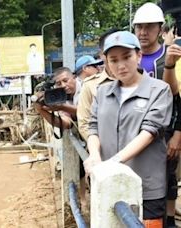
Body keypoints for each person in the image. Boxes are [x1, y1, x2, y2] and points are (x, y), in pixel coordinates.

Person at [84, 31, 173, 227]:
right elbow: (93, 128)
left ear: (138, 56)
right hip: (108, 182)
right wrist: (94, 156)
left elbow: (149, 132)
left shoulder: (159, 90)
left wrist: (113, 162)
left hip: (146, 187)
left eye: (127, 57)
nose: (121, 65)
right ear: (106, 62)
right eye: (113, 60)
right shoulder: (103, 92)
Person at [132, 3, 181, 227]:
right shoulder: (129, 58)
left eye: (149, 27)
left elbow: (177, 98)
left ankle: (168, 221)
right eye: (138, 27)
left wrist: (177, 135)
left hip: (166, 131)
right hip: (135, 132)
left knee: (167, 180)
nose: (143, 32)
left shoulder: (169, 57)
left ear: (160, 29)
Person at [77, 28, 119, 141]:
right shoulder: (90, 85)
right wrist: (100, 148)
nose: (116, 55)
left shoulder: (140, 82)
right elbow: (84, 124)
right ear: (101, 54)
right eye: (110, 50)